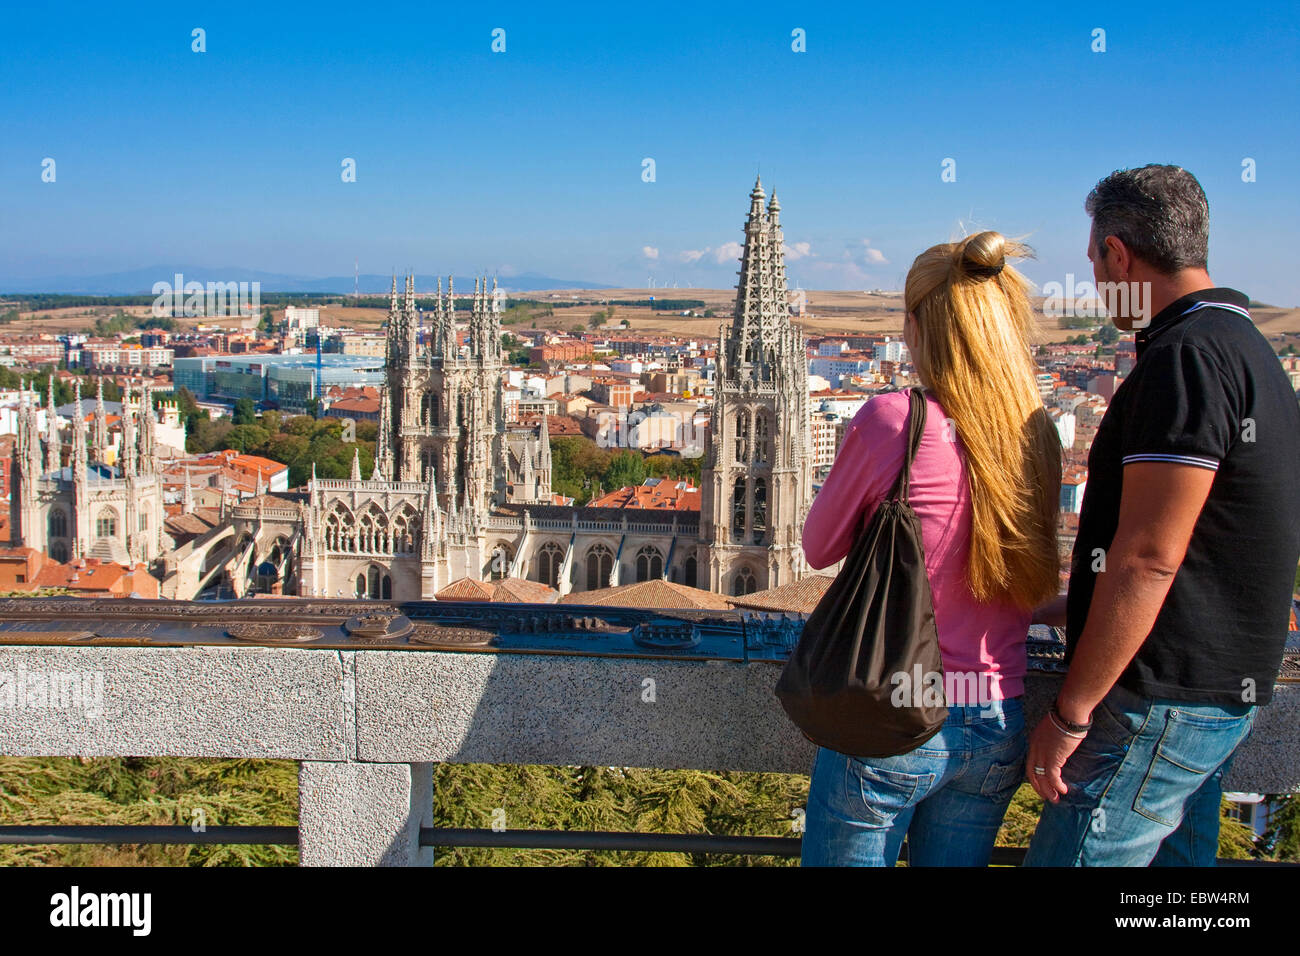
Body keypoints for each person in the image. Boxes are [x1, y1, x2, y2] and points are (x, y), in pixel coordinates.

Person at [1024, 165, 1300, 866]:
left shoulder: (1187, 358)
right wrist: (1068, 602)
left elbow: (1150, 556)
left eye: (1093, 262)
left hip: (1158, 701)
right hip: (1212, 692)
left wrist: (1069, 712)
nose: (1092, 282)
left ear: (1119, 253)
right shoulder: (1246, 347)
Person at [800, 231, 1062, 866]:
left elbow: (817, 546)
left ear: (915, 327)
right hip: (998, 720)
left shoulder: (895, 420)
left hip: (896, 710)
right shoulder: (1036, 432)